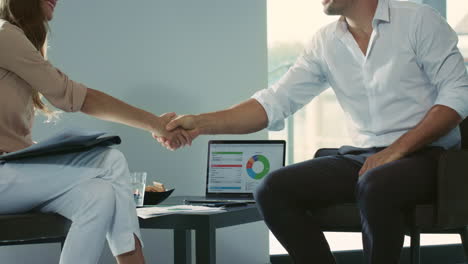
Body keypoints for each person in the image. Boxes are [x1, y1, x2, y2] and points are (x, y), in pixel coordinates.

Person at [157, 0, 468, 263]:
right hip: (365, 158)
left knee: (377, 183)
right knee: (271, 189)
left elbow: (458, 95)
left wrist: (395, 150)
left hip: (432, 157)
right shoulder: (325, 42)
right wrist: (199, 123)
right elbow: (274, 103)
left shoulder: (418, 20)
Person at [0, 0, 190, 263]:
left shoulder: (12, 38)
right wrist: (156, 124)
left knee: (99, 196)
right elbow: (76, 98)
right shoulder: (4, 35)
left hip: (10, 174)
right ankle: (133, 260)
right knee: (110, 161)